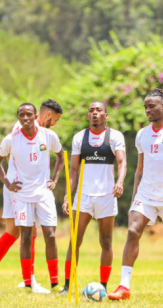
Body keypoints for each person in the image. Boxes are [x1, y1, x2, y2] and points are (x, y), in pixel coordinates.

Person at [108, 89, 163, 303]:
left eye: (151, 106)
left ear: (162, 106)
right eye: (145, 106)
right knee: (132, 231)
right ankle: (123, 286)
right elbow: (139, 170)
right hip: (145, 195)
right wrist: (134, 200)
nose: (147, 110)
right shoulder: (142, 134)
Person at [60, 101, 127, 294]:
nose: (95, 113)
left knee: (106, 242)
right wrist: (68, 196)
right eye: (91, 111)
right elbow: (73, 170)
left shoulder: (115, 136)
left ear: (106, 116)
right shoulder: (80, 137)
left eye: (99, 110)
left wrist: (120, 182)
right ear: (88, 116)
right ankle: (67, 286)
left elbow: (122, 163)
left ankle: (103, 287)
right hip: (84, 197)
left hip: (107, 196)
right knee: (75, 240)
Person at [0, 102, 65, 293]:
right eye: (55, 120)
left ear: (36, 115)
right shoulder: (14, 135)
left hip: (40, 191)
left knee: (31, 233)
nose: (53, 124)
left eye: (29, 115)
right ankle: (29, 281)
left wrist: (53, 179)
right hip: (18, 190)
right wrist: (7, 183)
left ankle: (43, 281)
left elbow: (60, 156)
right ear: (46, 115)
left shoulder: (47, 135)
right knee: (20, 233)